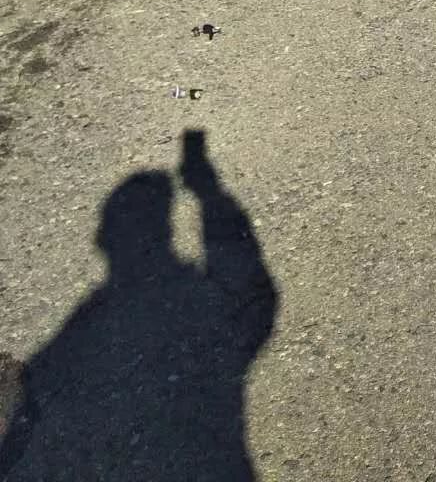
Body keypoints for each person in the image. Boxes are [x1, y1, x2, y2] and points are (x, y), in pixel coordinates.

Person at [0, 132, 278, 481]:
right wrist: (209, 193)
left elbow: (258, 310)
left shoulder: (92, 314)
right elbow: (257, 307)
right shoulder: (99, 313)